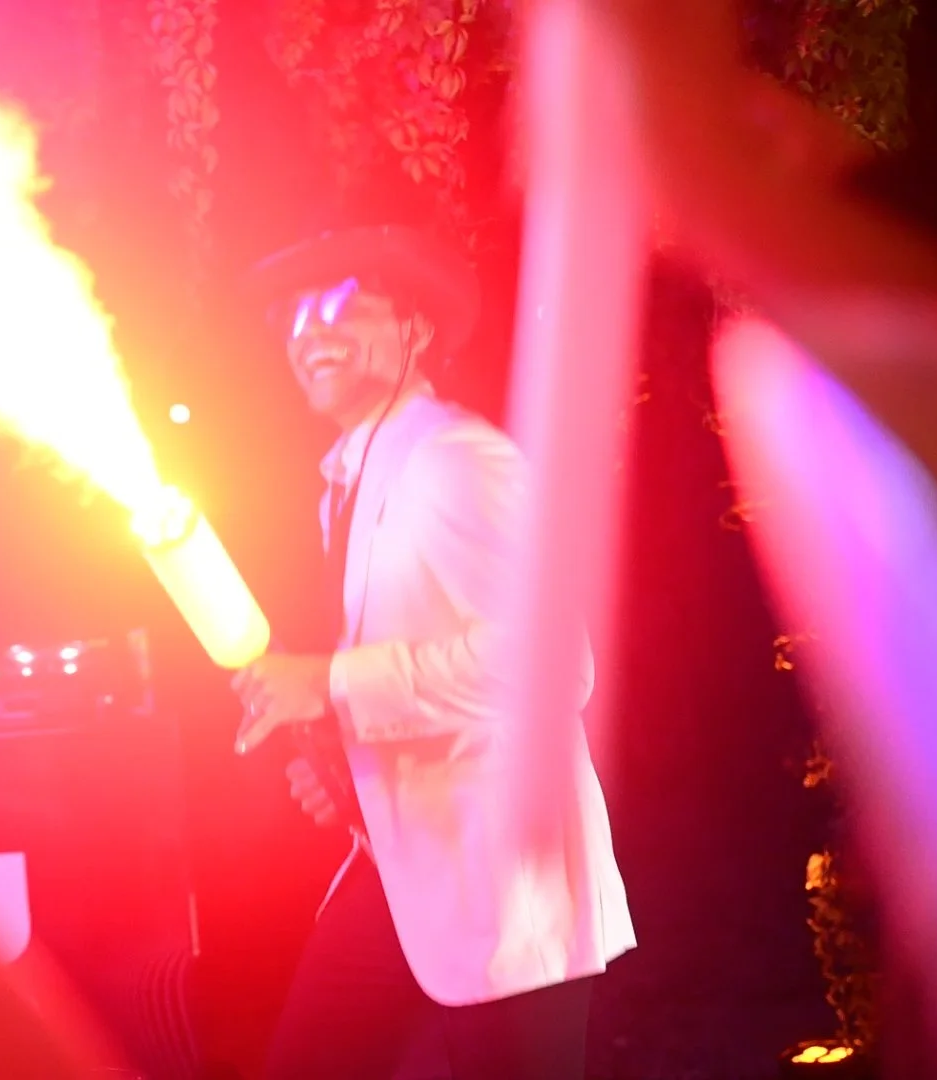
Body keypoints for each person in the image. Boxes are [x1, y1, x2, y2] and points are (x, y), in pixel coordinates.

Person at [227, 215, 635, 1079]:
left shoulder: (456, 459)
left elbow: (553, 666)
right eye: (295, 317)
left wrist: (331, 686)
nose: (311, 331)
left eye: (342, 306)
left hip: (503, 885)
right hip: (397, 868)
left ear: (414, 329)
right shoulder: (348, 482)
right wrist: (343, 762)